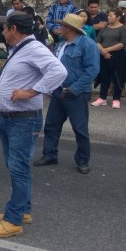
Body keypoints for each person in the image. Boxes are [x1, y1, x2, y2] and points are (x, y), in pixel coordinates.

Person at [0, 13, 66, 238]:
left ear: (13, 29)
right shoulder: (21, 48)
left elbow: (59, 71)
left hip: (22, 120)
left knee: (19, 168)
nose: (2, 31)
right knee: (16, 167)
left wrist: (31, 92)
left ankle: (13, 221)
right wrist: (2, 105)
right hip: (12, 118)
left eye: (4, 28)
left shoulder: (34, 48)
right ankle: (23, 210)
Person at [34, 14, 100, 174]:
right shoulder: (61, 45)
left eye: (62, 26)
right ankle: (50, 154)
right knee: (51, 126)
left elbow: (92, 70)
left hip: (76, 94)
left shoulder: (87, 45)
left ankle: (83, 160)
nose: (59, 28)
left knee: (80, 129)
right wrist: (50, 87)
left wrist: (74, 88)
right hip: (59, 92)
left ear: (69, 28)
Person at [93, 8, 126, 109]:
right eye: (108, 15)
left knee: (117, 77)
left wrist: (106, 50)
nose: (108, 17)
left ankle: (116, 99)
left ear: (118, 17)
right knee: (104, 76)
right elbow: (98, 41)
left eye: (111, 16)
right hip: (104, 55)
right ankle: (102, 98)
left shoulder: (123, 28)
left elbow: (123, 43)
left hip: (117, 56)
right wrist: (103, 51)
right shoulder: (104, 28)